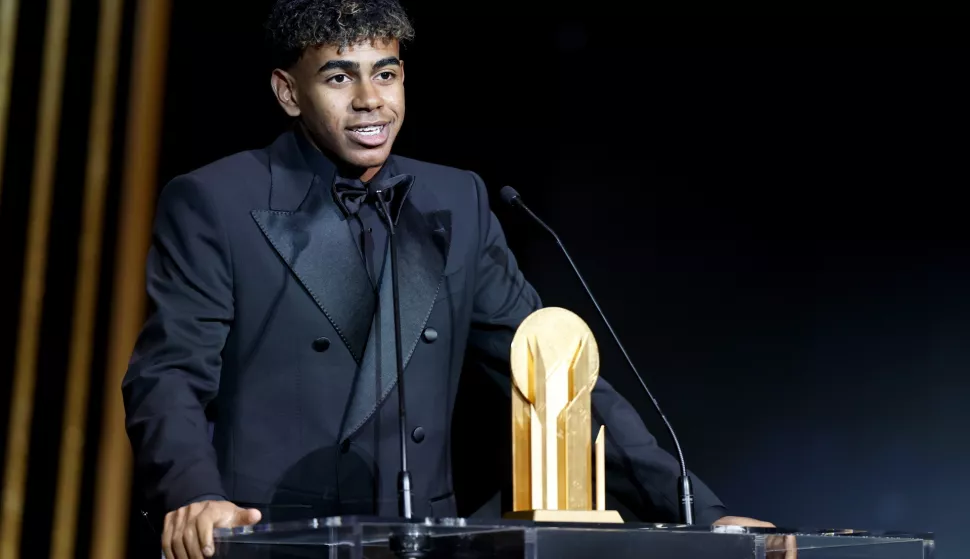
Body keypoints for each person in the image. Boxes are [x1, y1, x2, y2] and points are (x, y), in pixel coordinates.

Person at [122, 1, 774, 558]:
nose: (370, 99)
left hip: (422, 540)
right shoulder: (218, 200)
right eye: (339, 77)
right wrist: (193, 495)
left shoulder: (457, 201)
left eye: (386, 73)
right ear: (288, 92)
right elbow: (169, 373)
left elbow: (554, 378)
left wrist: (701, 513)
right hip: (277, 537)